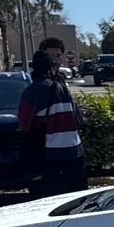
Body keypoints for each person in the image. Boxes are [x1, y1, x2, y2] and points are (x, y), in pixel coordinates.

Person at [16, 45, 85, 196]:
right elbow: (78, 119)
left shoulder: (31, 92)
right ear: (50, 68)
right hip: (74, 149)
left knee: (52, 195)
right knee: (76, 194)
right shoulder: (63, 88)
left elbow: (24, 124)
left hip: (49, 153)